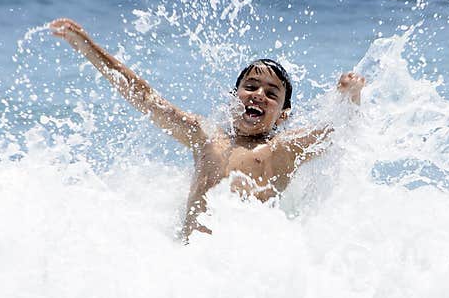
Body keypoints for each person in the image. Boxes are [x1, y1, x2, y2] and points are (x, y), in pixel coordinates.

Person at [49, 18, 365, 241]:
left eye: (271, 93)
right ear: (233, 98)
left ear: (283, 115)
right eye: (251, 86)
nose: (258, 95)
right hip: (192, 265)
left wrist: (350, 96)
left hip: (243, 265)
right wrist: (87, 48)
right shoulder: (205, 136)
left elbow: (338, 132)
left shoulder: (281, 149)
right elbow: (144, 97)